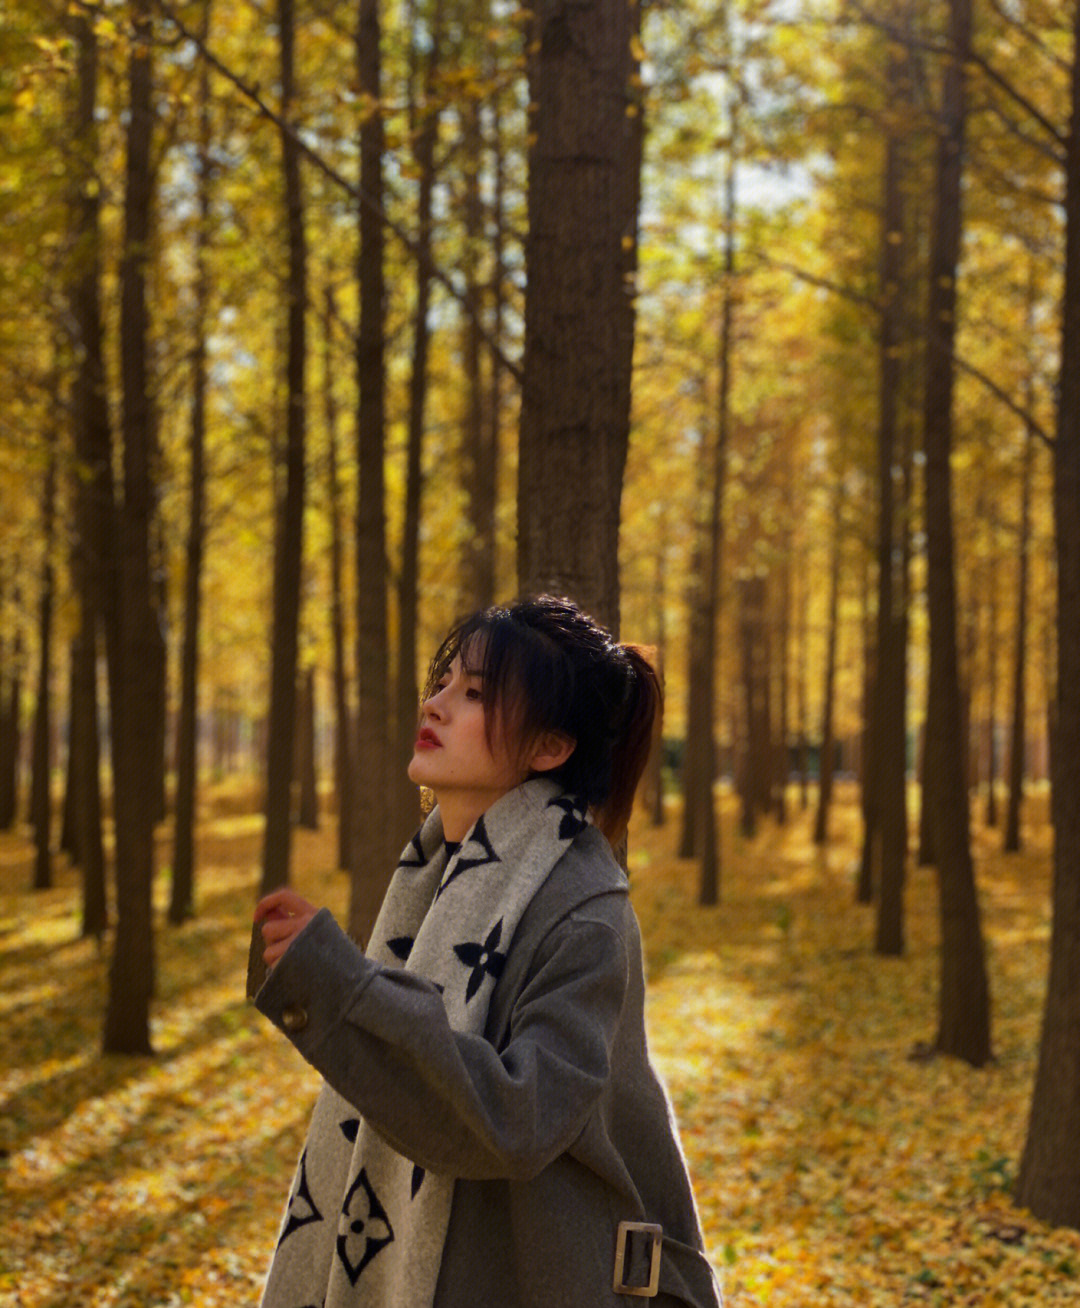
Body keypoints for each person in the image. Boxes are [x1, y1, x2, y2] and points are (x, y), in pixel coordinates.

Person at [252, 594, 723, 1307]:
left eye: (475, 694)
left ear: (549, 747)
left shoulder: (582, 911)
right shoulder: (436, 872)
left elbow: (516, 1118)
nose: (437, 704)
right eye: (444, 682)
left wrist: (346, 992)